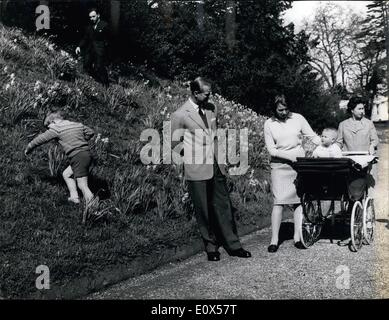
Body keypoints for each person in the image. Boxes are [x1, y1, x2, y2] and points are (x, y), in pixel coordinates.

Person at [170, 77, 251, 261]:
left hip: (217, 165)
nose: (209, 96)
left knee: (224, 206)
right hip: (197, 167)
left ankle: (233, 245)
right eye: (206, 94)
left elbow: (216, 133)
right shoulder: (180, 114)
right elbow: (174, 143)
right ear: (195, 93)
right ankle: (211, 247)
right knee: (203, 209)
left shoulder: (212, 107)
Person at [263, 94, 321, 252]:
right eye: (280, 110)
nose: (283, 112)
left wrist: (322, 143)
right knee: (279, 201)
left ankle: (297, 237)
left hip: (298, 165)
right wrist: (290, 157)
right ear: (274, 109)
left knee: (297, 201)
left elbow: (312, 136)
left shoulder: (298, 118)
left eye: (286, 109)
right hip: (280, 165)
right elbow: (271, 149)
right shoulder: (269, 124)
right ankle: (274, 240)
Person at [24, 111, 97, 221]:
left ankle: (93, 209)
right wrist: (80, 140)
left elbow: (41, 139)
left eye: (48, 126)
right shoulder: (78, 125)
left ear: (53, 121)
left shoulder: (56, 128)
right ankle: (74, 197)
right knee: (67, 174)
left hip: (77, 156)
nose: (48, 129)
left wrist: (29, 147)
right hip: (85, 154)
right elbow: (91, 132)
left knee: (82, 184)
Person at [75, 8, 110, 86]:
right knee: (86, 66)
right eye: (90, 17)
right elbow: (85, 38)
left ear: (98, 15)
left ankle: (106, 84)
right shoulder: (89, 27)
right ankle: (97, 80)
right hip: (90, 50)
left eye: (93, 16)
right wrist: (79, 46)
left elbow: (109, 39)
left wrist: (106, 50)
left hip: (100, 50)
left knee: (99, 67)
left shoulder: (104, 25)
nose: (92, 19)